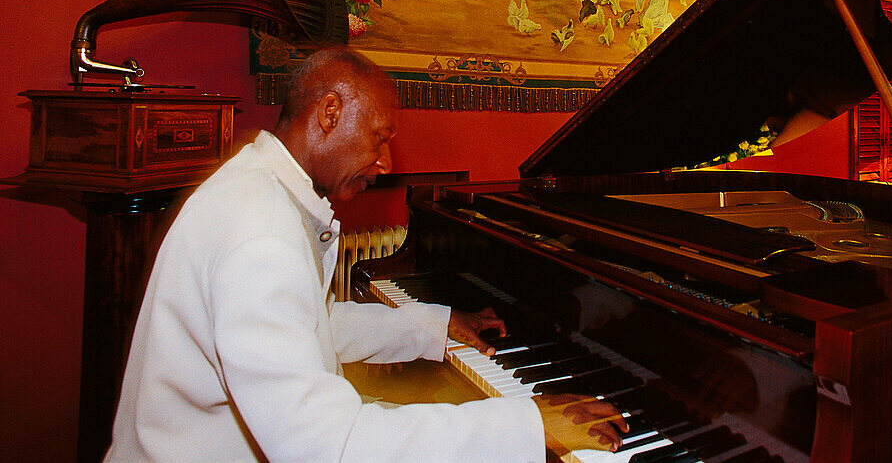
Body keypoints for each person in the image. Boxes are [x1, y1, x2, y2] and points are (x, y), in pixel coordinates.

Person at [107, 48, 626, 461]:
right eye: (380, 137)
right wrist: (527, 427)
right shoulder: (259, 233)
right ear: (330, 113)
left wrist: (430, 325)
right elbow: (326, 445)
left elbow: (308, 326)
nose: (385, 161)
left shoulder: (257, 188)